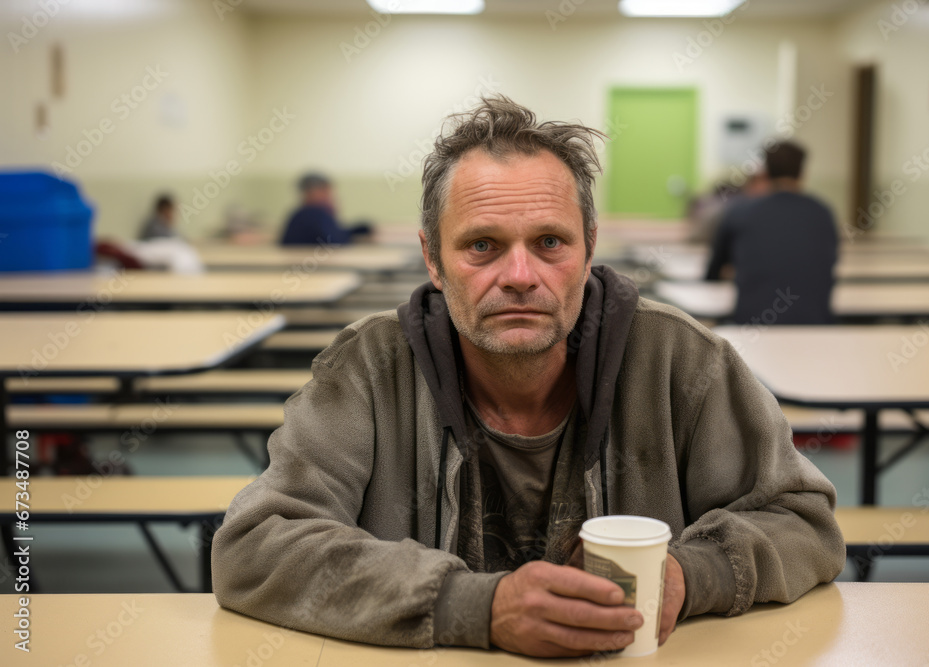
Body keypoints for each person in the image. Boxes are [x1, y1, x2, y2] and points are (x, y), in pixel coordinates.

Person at [212, 97, 845, 658]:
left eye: (549, 242)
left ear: (589, 248)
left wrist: (690, 573)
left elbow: (803, 520)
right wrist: (474, 607)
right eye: (482, 245)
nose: (519, 274)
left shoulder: (681, 361)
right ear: (433, 257)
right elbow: (255, 545)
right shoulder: (368, 369)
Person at [705, 141, 839, 325]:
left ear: (766, 172)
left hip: (751, 327)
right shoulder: (823, 213)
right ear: (802, 173)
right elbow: (827, 265)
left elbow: (712, 273)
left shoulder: (739, 212)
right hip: (815, 327)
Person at [279, 172, 372, 246]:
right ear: (311, 192)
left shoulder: (300, 214)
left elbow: (336, 234)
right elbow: (335, 240)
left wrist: (359, 230)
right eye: (326, 191)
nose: (330, 196)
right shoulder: (314, 215)